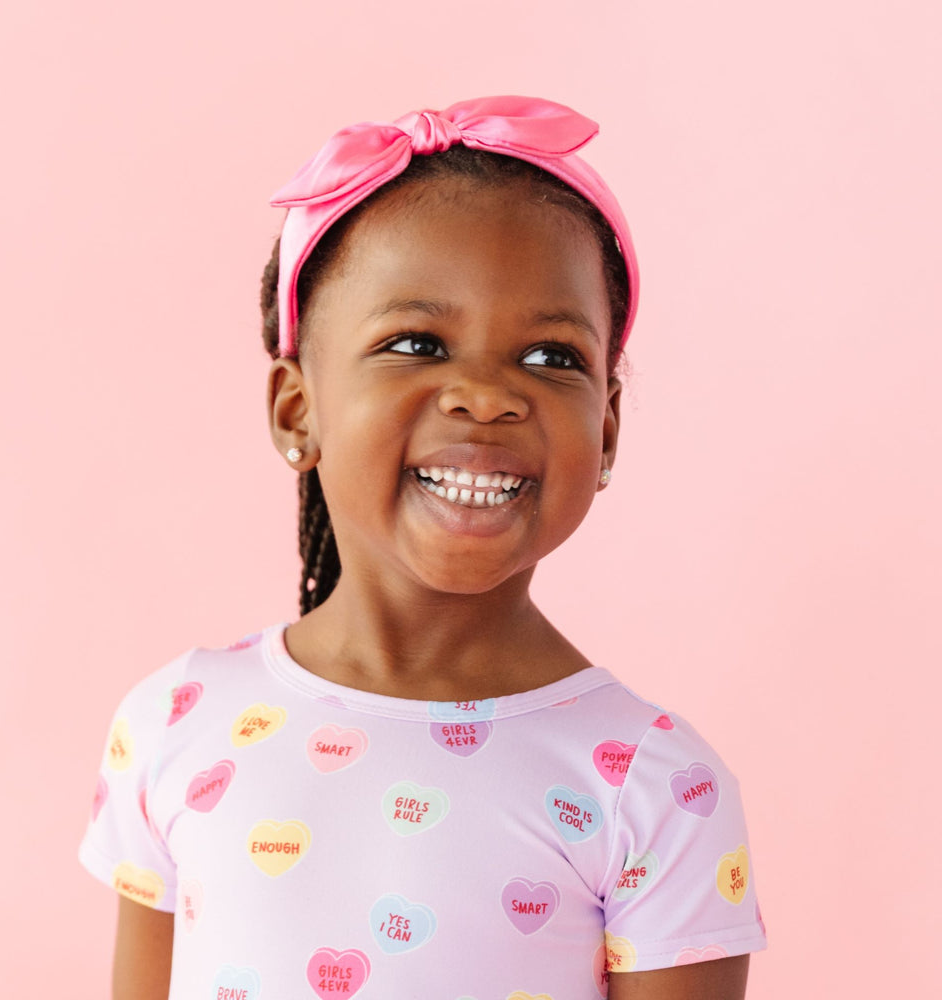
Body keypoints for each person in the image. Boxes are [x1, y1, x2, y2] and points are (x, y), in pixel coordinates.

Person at [80, 96, 767, 1000]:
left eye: (552, 357)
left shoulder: (657, 788)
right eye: (416, 343)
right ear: (298, 409)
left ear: (606, 432)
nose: (485, 395)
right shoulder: (175, 722)